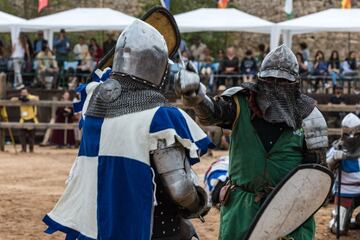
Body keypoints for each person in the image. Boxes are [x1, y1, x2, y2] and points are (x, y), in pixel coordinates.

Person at [43, 18, 212, 240]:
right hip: (150, 228)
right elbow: (180, 191)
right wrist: (201, 202)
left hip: (94, 226)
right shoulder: (160, 118)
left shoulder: (93, 105)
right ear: (158, 68)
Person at [175, 44, 328, 239]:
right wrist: (196, 96)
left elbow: (316, 175)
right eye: (270, 79)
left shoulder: (310, 117)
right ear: (261, 79)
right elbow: (212, 114)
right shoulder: (241, 102)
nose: (275, 84)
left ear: (294, 83)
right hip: (241, 207)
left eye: (282, 81)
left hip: (289, 213)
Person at [326, 113, 360, 235]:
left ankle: (357, 220)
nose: (351, 136)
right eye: (347, 133)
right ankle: (337, 217)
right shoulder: (337, 147)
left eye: (356, 133)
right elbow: (326, 167)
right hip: (346, 192)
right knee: (339, 230)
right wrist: (334, 158)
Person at [11, 88, 39, 153]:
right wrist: (19, 99)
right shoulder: (20, 98)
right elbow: (12, 99)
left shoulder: (31, 97)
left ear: (27, 93)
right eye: (22, 92)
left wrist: (28, 99)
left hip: (31, 118)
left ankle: (31, 150)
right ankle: (23, 149)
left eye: (25, 92)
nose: (24, 93)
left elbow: (37, 98)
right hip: (23, 119)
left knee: (31, 136)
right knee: (21, 134)